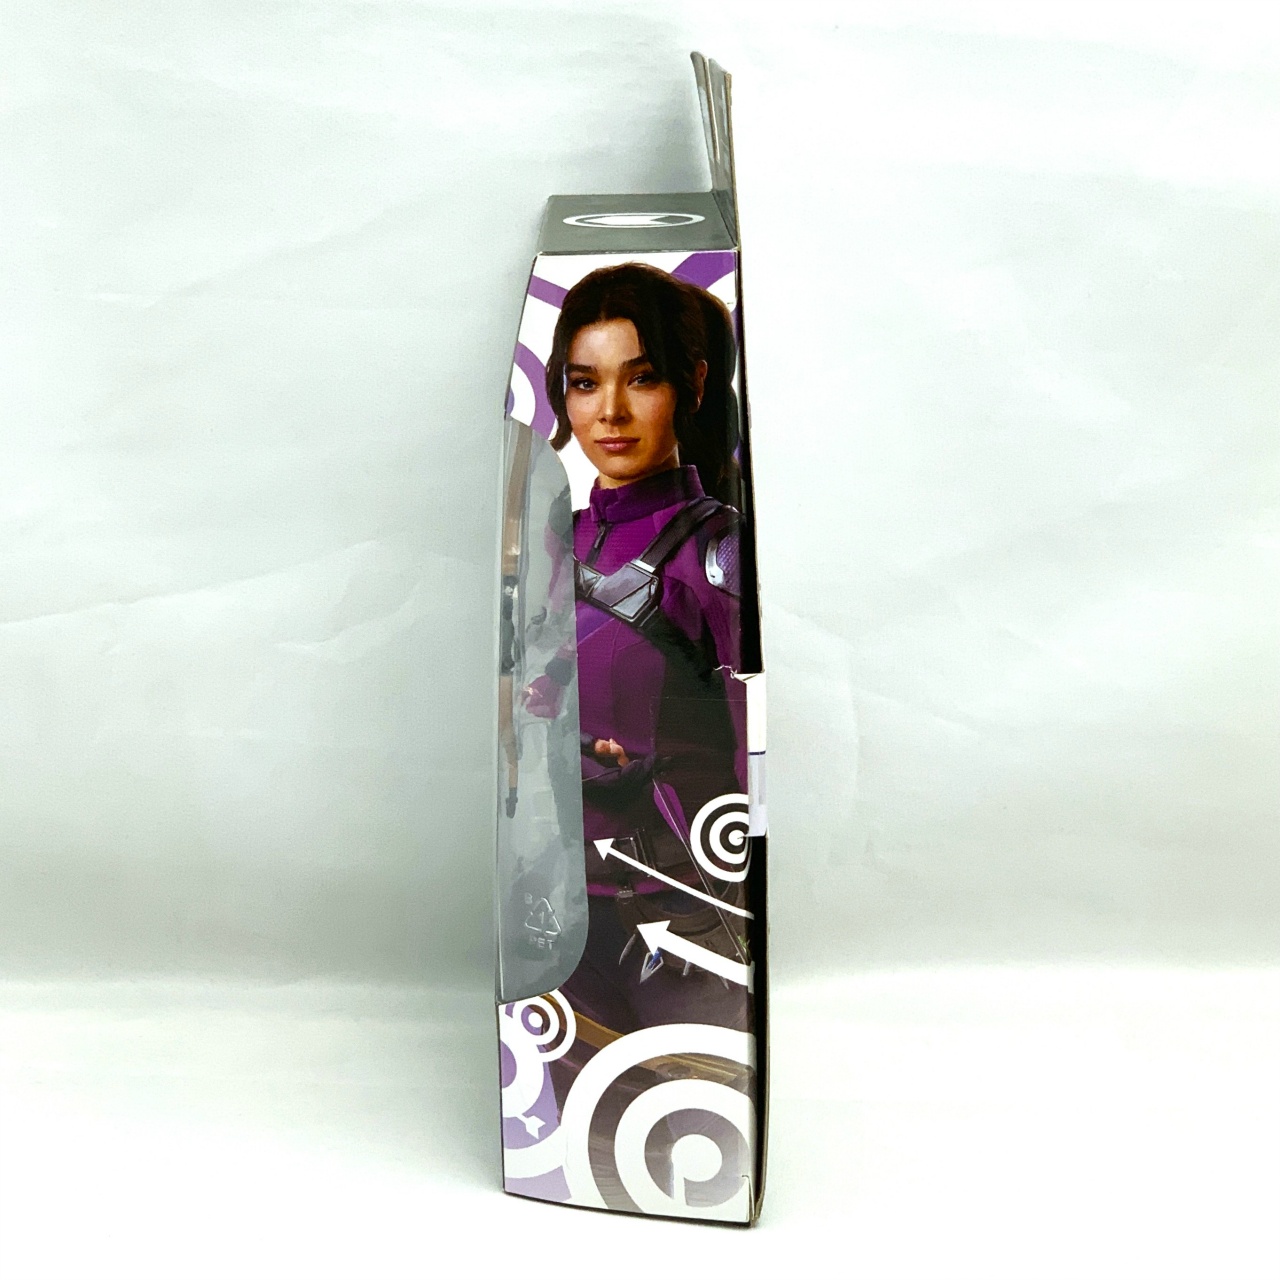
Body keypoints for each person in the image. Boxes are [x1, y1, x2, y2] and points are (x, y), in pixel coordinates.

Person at [526, 262, 751, 1041]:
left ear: (692, 383)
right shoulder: (556, 542)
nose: (610, 412)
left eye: (642, 378)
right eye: (585, 383)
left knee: (691, 1107)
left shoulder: (718, 554)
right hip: (557, 917)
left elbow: (761, 763)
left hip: (692, 923)